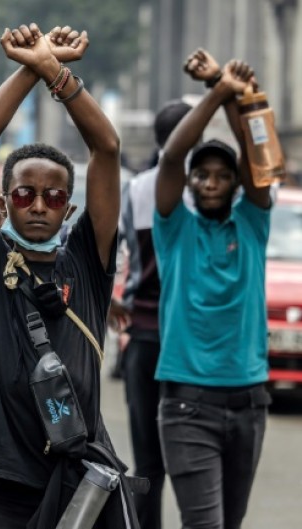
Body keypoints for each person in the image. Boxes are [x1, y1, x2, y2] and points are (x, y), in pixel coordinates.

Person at [0, 23, 137, 527]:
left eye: (54, 197)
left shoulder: (86, 260)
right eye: (23, 194)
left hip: (83, 481)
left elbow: (107, 147)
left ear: (69, 207)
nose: (39, 205)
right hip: (2, 485)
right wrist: (28, 69)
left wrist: (55, 73)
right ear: (2, 202)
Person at [153, 51, 271, 529]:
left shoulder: (253, 224)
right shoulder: (175, 229)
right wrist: (218, 92)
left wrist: (234, 96)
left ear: (237, 183)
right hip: (187, 405)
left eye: (224, 175)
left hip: (249, 404)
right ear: (191, 182)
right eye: (203, 175)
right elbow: (172, 157)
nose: (212, 183)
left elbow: (260, 160)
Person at [109, 99, 191, 529]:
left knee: (146, 459)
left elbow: (110, 248)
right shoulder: (202, 186)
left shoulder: (138, 187)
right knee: (192, 455)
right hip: (186, 338)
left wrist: (108, 296)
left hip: (142, 332)